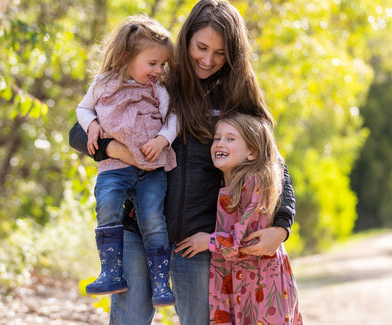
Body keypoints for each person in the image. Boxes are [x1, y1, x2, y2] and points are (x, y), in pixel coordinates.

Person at [69, 1, 296, 324]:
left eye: (220, 53)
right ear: (186, 38)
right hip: (138, 227)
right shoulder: (156, 78)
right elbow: (78, 132)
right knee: (129, 318)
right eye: (201, 47)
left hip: (200, 239)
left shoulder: (236, 95)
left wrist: (282, 226)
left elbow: (272, 161)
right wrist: (114, 149)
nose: (207, 59)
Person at [75, 15, 177, 307]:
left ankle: (161, 282)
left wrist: (161, 140)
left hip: (151, 168)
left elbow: (173, 120)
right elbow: (83, 108)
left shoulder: (157, 89)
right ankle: (111, 271)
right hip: (114, 166)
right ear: (126, 57)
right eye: (152, 63)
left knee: (154, 219)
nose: (159, 70)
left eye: (163, 65)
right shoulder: (103, 83)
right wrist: (92, 124)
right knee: (106, 205)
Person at [177, 113, 303, 324]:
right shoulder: (228, 185)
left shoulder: (255, 182)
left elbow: (245, 241)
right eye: (217, 138)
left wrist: (206, 241)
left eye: (230, 138)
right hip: (238, 281)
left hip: (261, 283)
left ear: (252, 152)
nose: (220, 143)